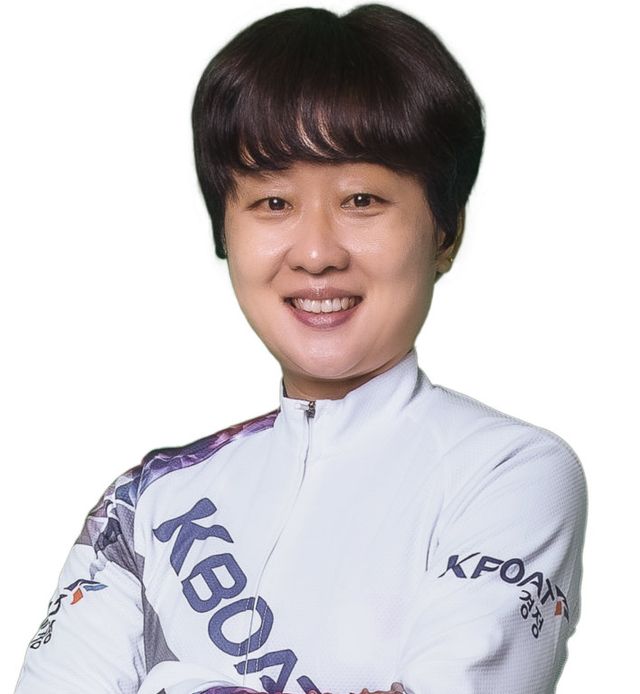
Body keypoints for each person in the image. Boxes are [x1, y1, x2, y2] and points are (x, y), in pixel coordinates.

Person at [14, 4, 587, 694]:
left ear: (446, 232)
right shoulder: (148, 503)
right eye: (274, 203)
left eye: (362, 200)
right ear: (224, 233)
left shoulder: (510, 472)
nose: (316, 253)